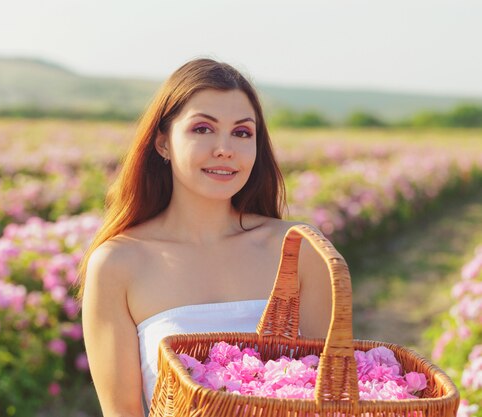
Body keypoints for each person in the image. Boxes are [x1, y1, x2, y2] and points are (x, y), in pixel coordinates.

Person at [77, 58, 332, 417]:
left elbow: (333, 392)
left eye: (242, 133)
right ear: (162, 144)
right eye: (202, 129)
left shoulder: (298, 248)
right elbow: (122, 412)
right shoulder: (118, 263)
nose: (224, 148)